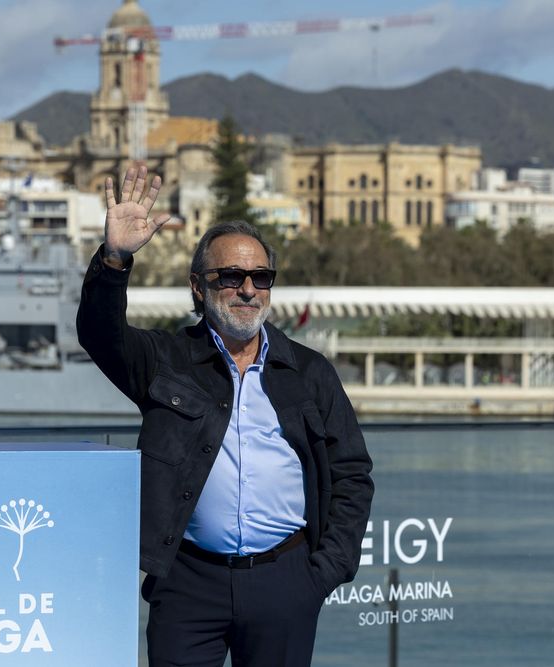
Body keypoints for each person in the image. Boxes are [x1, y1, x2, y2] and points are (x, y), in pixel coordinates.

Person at [77, 165, 374, 667]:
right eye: (230, 277)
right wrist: (115, 259)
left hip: (286, 580)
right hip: (188, 582)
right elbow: (99, 334)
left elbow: (352, 475)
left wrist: (322, 573)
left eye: (261, 277)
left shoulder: (308, 371)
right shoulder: (163, 360)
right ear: (199, 287)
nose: (247, 289)